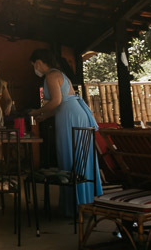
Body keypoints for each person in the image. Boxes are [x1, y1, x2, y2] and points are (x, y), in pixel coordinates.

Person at [28, 48, 102, 215]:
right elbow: (59, 104)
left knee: (71, 155)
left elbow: (56, 101)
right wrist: (45, 116)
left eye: (34, 65)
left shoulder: (51, 75)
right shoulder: (58, 73)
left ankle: (76, 204)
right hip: (71, 113)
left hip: (71, 117)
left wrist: (37, 112)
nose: (35, 69)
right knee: (77, 156)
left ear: (39, 63)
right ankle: (81, 201)